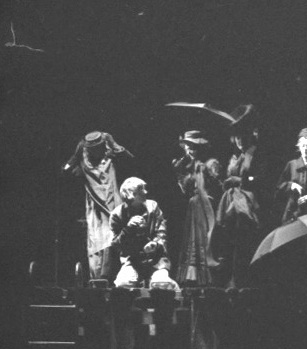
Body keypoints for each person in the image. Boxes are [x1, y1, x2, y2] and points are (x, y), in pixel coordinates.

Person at [63, 131, 133, 281]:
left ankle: (110, 275)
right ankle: (98, 277)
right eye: (92, 149)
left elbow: (129, 158)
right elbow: (68, 167)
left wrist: (114, 144)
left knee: (112, 235)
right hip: (95, 205)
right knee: (97, 239)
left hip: (112, 201)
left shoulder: (110, 154)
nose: (95, 151)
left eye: (98, 148)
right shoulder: (83, 154)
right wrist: (70, 166)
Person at [214, 104, 270, 288]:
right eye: (236, 137)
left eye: (242, 136)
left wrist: (239, 180)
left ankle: (241, 280)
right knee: (228, 239)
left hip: (248, 202)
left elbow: (260, 179)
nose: (239, 141)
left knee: (243, 240)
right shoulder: (235, 156)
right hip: (231, 200)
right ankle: (229, 278)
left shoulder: (257, 153)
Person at [173, 130, 223, 286]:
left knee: (205, 239)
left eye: (193, 146)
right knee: (193, 240)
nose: (190, 149)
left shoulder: (211, 163)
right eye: (188, 146)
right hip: (193, 205)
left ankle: (208, 277)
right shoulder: (187, 165)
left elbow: (217, 186)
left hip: (206, 205)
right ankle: (193, 278)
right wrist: (181, 172)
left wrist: (205, 173)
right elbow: (185, 189)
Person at [110, 177, 169, 288]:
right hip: (132, 261)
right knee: (123, 284)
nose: (146, 192)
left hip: (156, 260)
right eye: (141, 189)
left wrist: (155, 244)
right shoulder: (117, 215)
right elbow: (115, 245)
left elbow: (161, 232)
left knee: (161, 284)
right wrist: (127, 230)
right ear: (131, 194)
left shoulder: (153, 207)